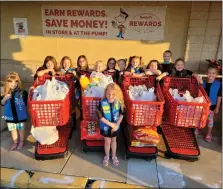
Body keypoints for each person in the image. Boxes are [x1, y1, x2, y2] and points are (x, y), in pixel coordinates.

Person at [96, 83, 125, 166]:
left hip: (115, 126)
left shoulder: (119, 103)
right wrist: (110, 124)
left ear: (117, 94)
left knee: (114, 140)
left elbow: (122, 114)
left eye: (113, 94)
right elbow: (100, 116)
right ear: (105, 93)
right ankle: (107, 155)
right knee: (107, 141)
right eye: (109, 94)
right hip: (105, 126)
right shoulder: (102, 103)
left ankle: (114, 155)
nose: (111, 96)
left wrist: (117, 125)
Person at [1, 72, 28, 151]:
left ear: (18, 82)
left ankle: (21, 142)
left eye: (15, 82)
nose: (13, 84)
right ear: (7, 82)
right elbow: (2, 104)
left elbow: (28, 100)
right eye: (10, 82)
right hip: (10, 116)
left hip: (20, 116)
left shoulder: (23, 92)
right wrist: (4, 99)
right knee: (13, 130)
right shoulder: (4, 92)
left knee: (21, 129)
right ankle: (15, 142)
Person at [195, 65, 222, 142]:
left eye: (213, 73)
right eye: (209, 73)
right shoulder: (203, 83)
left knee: (210, 120)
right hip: (202, 105)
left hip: (212, 106)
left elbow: (219, 97)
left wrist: (217, 107)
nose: (211, 75)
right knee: (199, 118)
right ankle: (196, 130)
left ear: (216, 74)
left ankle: (209, 134)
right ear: (206, 73)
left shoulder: (219, 84)